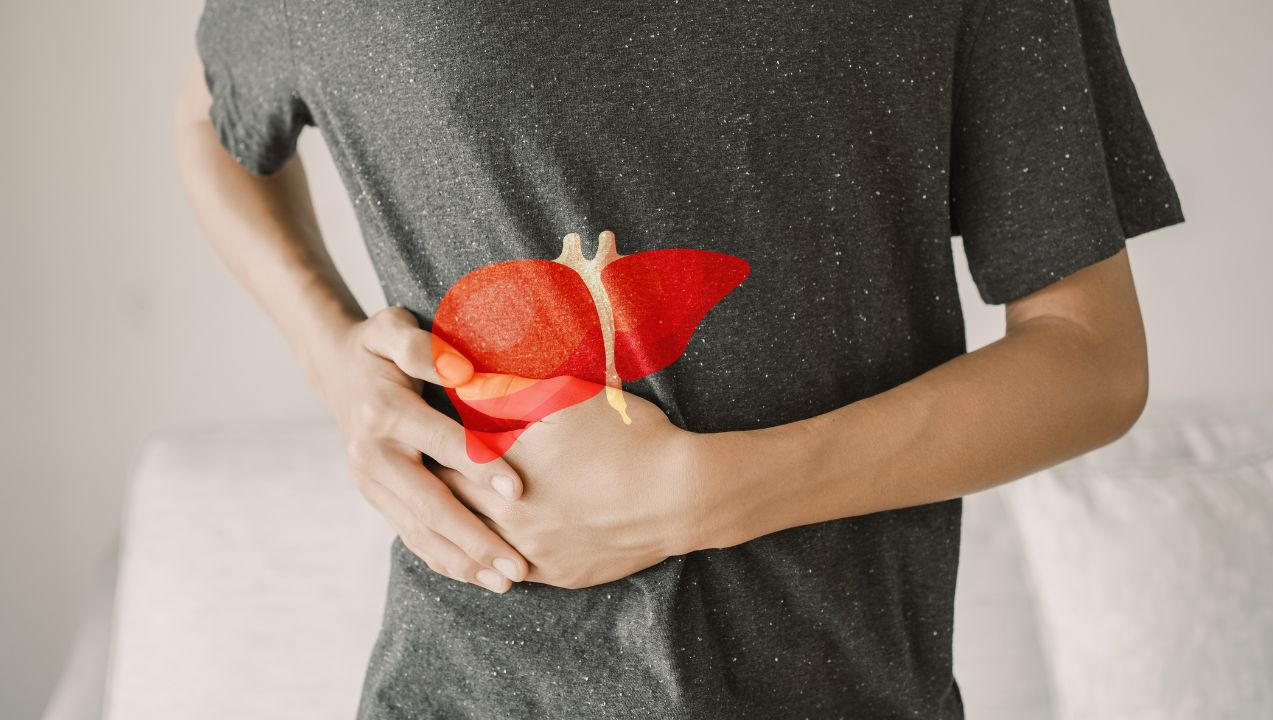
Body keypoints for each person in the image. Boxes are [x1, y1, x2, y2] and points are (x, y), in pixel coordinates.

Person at [174, 0, 1184, 717]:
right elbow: (211, 118)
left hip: (852, 688)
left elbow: (1090, 358)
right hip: (464, 681)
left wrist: (700, 493)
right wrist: (335, 363)